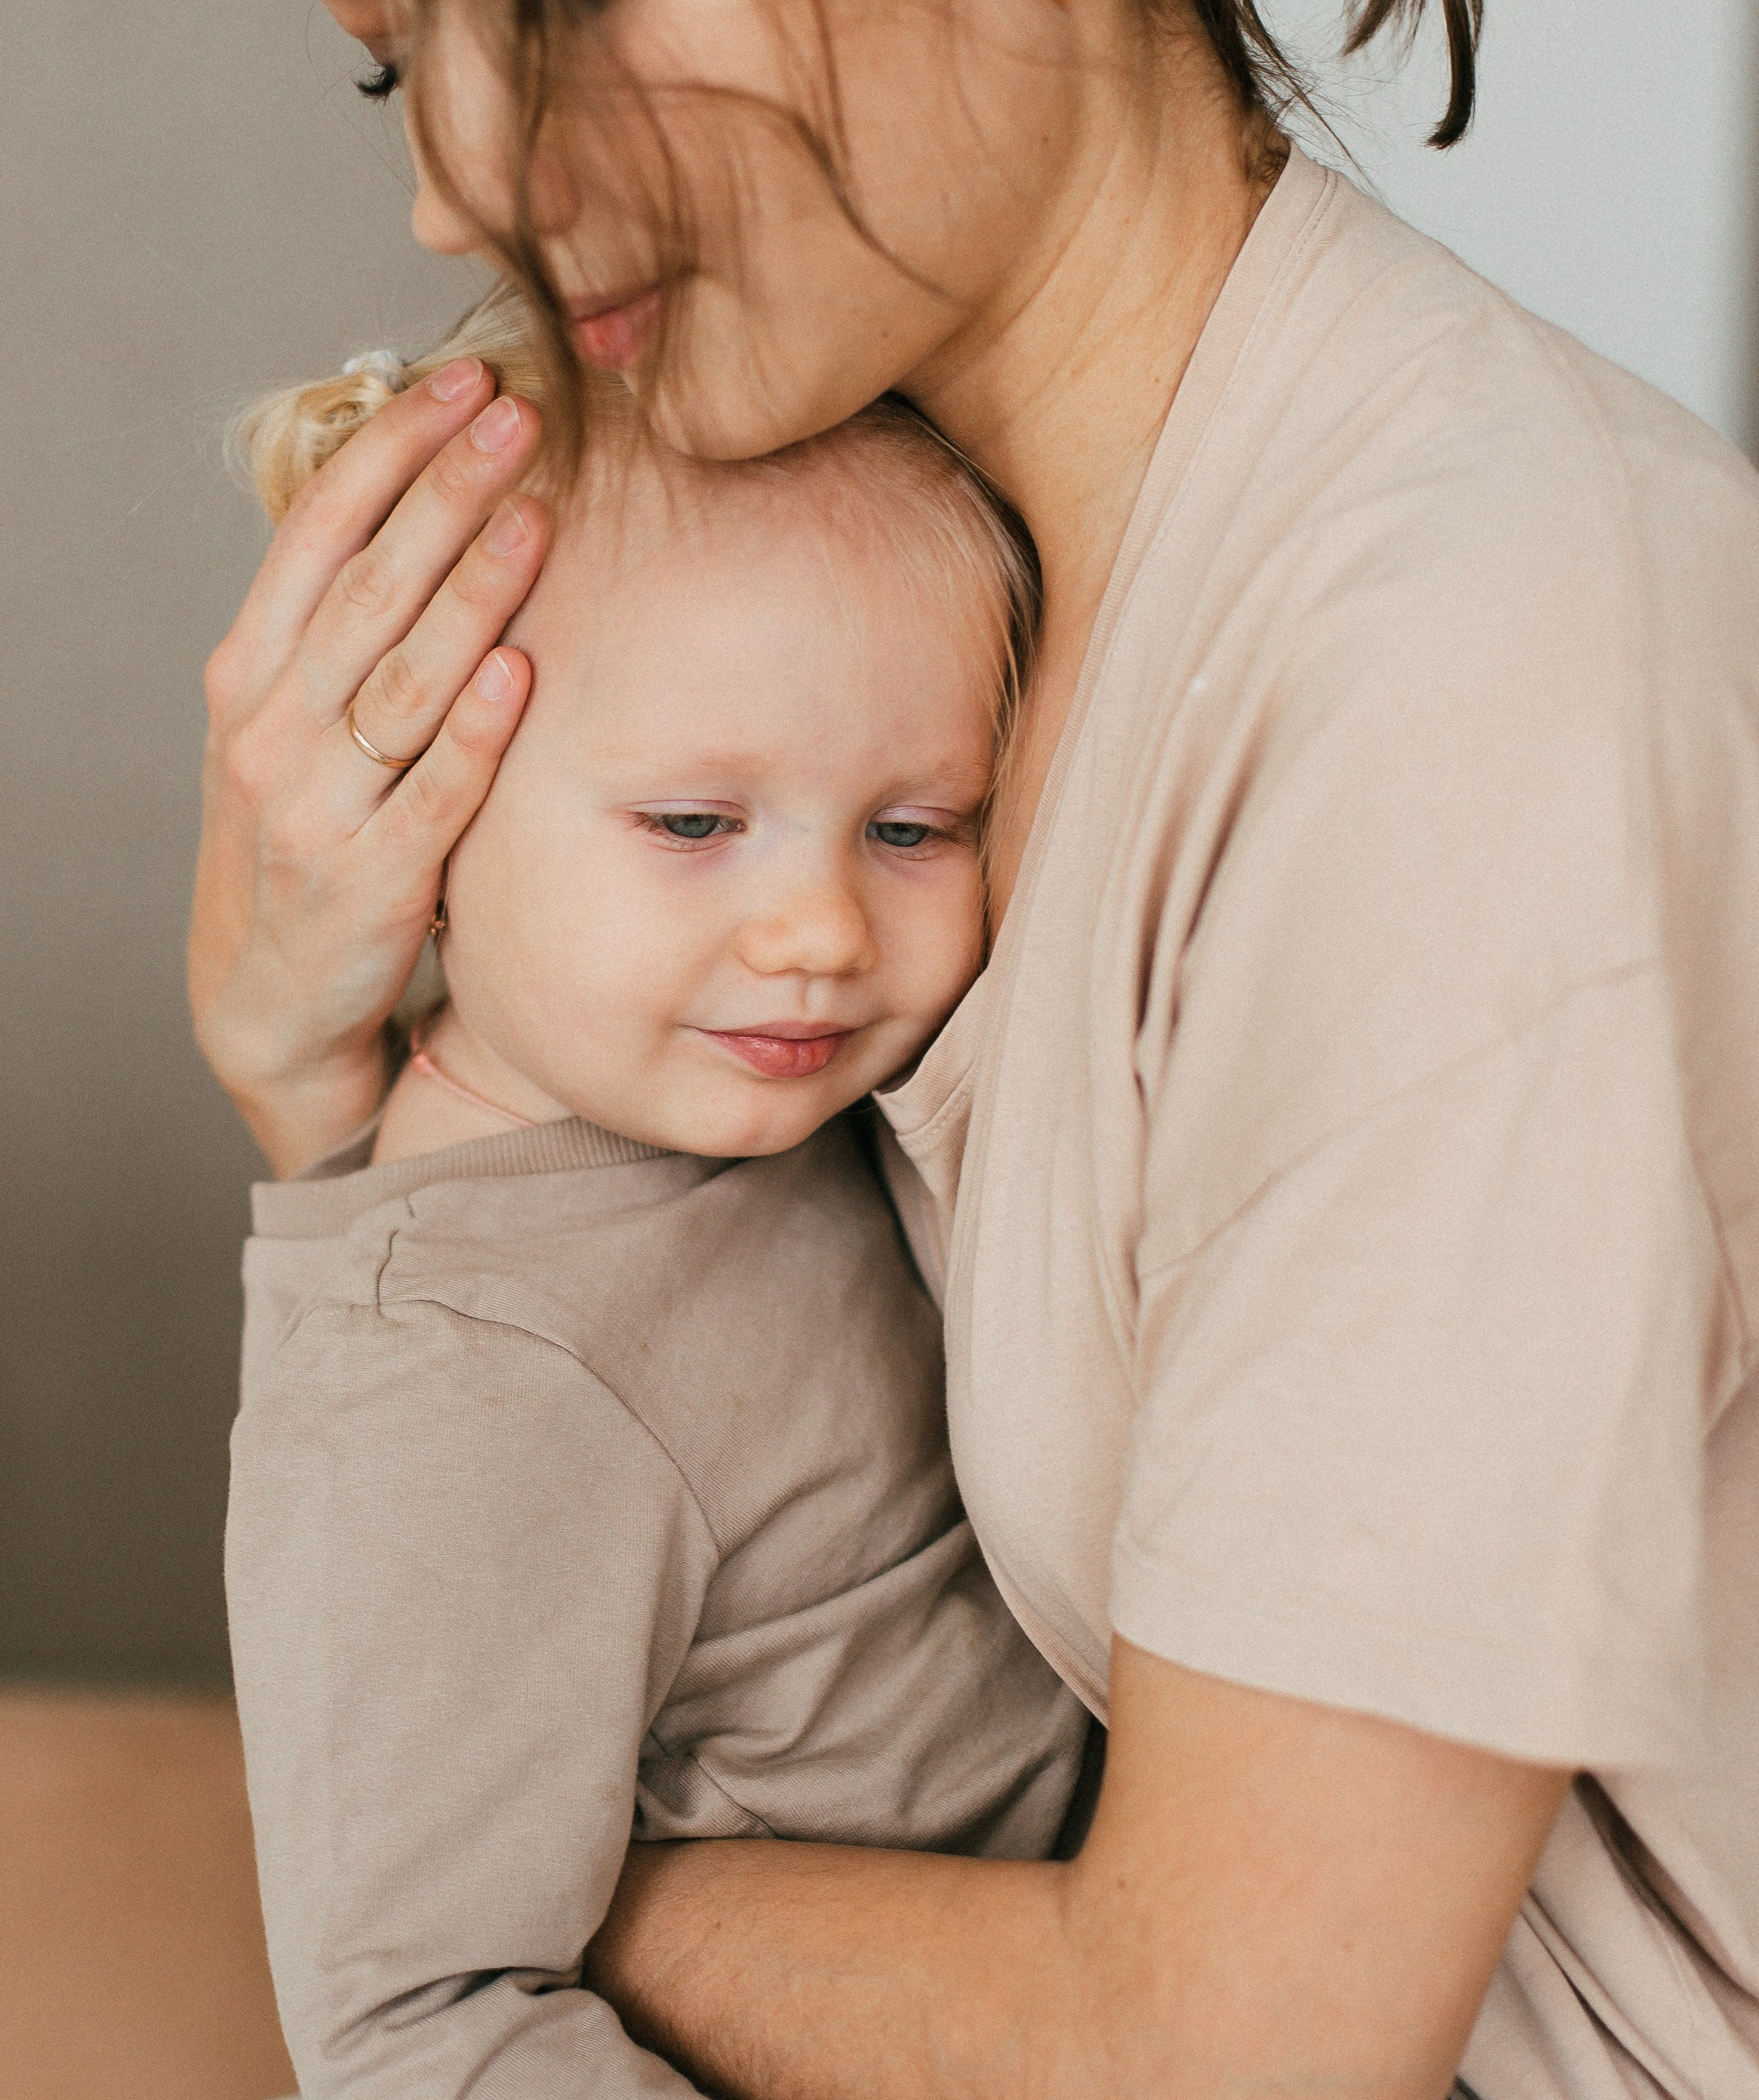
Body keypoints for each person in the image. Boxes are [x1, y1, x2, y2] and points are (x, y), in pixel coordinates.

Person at [188, 2, 1759, 2094]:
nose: (452, 178)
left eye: (524, 6)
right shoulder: (918, 592)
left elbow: (1225, 2049)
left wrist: (507, 1903)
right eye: (396, 62)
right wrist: (325, 1084)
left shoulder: (1458, 680)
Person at [224, 292, 1083, 2098]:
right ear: (422, 813)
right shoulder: (452, 1377)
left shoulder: (767, 1102)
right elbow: (413, 2024)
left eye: (912, 825)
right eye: (694, 824)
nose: (820, 932)